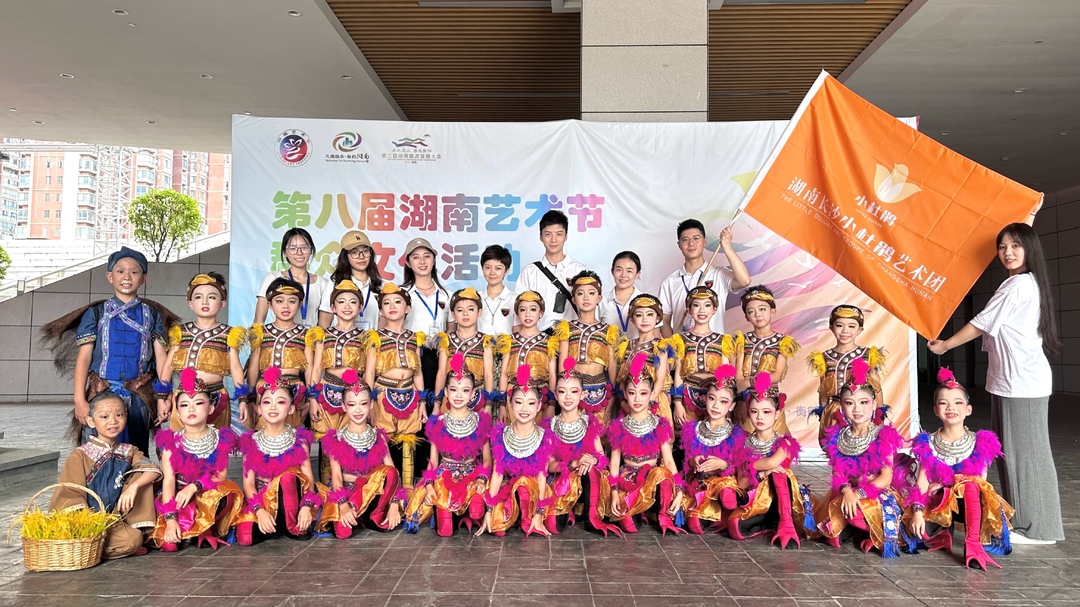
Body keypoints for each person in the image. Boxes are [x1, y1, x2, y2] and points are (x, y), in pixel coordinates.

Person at [927, 220, 1062, 545]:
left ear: (1029, 249)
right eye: (1002, 247)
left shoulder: (1019, 285)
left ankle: (1038, 528)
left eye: (1015, 246)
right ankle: (1024, 522)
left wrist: (945, 345)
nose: (1008, 252)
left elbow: (981, 323)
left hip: (1022, 383)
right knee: (1014, 453)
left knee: (1027, 455)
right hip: (1011, 381)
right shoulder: (1023, 282)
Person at [41, 246, 178, 454]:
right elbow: (84, 358)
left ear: (143, 279)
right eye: (120, 271)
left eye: (134, 272)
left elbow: (161, 360)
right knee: (96, 454)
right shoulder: (95, 313)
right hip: (100, 392)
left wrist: (162, 397)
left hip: (139, 396)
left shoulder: (153, 314)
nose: (127, 276)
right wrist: (79, 399)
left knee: (136, 453)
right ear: (109, 276)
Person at [906, 368, 1014, 570]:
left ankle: (973, 546)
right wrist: (918, 512)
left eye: (958, 402)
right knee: (916, 534)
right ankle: (942, 533)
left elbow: (979, 481)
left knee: (970, 486)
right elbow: (922, 483)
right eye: (943, 403)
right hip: (937, 504)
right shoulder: (927, 443)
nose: (951, 408)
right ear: (935, 410)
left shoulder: (981, 443)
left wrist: (945, 484)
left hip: (969, 505)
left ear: (968, 409)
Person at [52, 390, 161, 559]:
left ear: (126, 417)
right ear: (91, 421)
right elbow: (70, 495)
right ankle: (88, 546)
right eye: (104, 416)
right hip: (88, 522)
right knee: (127, 541)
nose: (113, 421)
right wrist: (88, 524)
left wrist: (133, 487)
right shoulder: (80, 456)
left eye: (119, 415)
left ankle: (95, 549)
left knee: (141, 477)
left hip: (115, 521)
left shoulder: (129, 451)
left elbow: (153, 470)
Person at [814, 359, 905, 557]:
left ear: (874, 404)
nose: (857, 409)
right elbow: (838, 473)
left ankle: (869, 529)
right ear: (841, 406)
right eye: (849, 403)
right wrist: (847, 491)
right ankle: (854, 527)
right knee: (831, 533)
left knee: (854, 512)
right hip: (849, 491)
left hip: (875, 492)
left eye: (864, 402)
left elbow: (886, 477)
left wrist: (859, 494)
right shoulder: (838, 435)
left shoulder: (882, 435)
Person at [151, 369, 243, 551]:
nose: (191, 409)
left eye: (198, 403)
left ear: (211, 408)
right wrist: (170, 519)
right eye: (184, 405)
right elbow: (169, 481)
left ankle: (206, 529)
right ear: (178, 411)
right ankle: (187, 527)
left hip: (207, 493)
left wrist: (194, 487)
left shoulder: (221, 439)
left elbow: (220, 476)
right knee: (169, 545)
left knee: (225, 494)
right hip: (179, 497)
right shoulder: (171, 442)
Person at [404, 353, 493, 536]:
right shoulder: (437, 423)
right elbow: (433, 461)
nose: (459, 395)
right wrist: (429, 484)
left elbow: (486, 459)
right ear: (445, 392)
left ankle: (467, 513)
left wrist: (481, 479)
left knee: (477, 510)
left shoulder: (481, 421)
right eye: (453, 389)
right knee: (444, 531)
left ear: (473, 393)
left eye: (465, 390)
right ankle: (451, 514)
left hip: (472, 477)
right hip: (444, 479)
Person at [729, 372, 815, 548]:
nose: (760, 417)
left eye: (766, 412)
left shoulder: (785, 442)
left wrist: (749, 465)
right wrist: (762, 474)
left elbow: (773, 463)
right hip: (756, 502)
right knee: (735, 527)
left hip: (783, 500)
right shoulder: (743, 443)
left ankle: (786, 525)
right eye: (754, 411)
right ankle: (768, 523)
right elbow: (742, 483)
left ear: (777, 414)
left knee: (779, 475)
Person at [316, 369, 405, 539]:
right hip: (346, 494)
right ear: (343, 406)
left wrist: (395, 503)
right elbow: (336, 477)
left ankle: (372, 515)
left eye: (363, 403)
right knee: (343, 533)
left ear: (371, 404)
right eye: (351, 404)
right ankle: (356, 513)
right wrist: (343, 505)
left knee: (389, 471)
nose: (358, 410)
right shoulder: (336, 438)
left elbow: (392, 474)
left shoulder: (378, 436)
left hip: (372, 494)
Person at [236, 367, 321, 545]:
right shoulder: (250, 442)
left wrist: (306, 507)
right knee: (245, 537)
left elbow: (309, 480)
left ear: (291, 409)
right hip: (262, 501)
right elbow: (249, 484)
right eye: (267, 402)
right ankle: (272, 523)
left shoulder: (299, 440)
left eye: (280, 402)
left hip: (292, 500)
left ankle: (291, 524)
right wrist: (259, 510)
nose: (273, 407)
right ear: (259, 409)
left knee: (288, 477)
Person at [607, 352, 685, 536]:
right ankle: (641, 510)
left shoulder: (659, 425)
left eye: (643, 393)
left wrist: (680, 490)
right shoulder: (619, 426)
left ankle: (663, 516)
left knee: (661, 473)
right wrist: (614, 492)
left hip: (652, 478)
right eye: (632, 393)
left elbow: (669, 461)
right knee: (629, 527)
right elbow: (615, 463)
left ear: (651, 394)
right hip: (628, 480)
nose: (637, 399)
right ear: (625, 394)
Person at [543, 358, 621, 536]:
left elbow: (602, 458)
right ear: (555, 395)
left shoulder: (589, 423)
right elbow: (550, 465)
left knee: (591, 468)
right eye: (562, 391)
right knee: (553, 527)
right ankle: (569, 510)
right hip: (561, 482)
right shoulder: (549, 426)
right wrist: (574, 463)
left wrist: (593, 459)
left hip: (587, 478)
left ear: (583, 395)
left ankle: (592, 519)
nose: (568, 397)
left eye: (574, 391)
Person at [476, 363, 555, 537]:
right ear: (510, 404)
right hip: (508, 489)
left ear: (539, 406)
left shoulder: (545, 437)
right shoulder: (501, 435)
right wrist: (489, 511)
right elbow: (497, 474)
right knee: (496, 528)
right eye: (519, 402)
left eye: (531, 403)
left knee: (525, 482)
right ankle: (510, 515)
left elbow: (542, 477)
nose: (524, 408)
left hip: (534, 494)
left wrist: (539, 514)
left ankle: (528, 518)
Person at [161, 272, 248, 431]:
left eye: (212, 297)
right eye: (198, 297)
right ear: (190, 303)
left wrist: (242, 399)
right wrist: (162, 397)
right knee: (181, 442)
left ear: (222, 303)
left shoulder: (229, 334)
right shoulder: (180, 332)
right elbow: (168, 366)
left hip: (217, 397)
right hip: (184, 397)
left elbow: (236, 367)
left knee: (217, 442)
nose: (205, 301)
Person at [365, 283, 430, 489]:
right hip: (383, 393)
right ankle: (387, 489)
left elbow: (418, 372)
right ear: (381, 310)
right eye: (386, 303)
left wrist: (422, 402)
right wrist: (369, 404)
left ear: (407, 308)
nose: (392, 306)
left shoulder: (414, 338)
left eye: (397, 302)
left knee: (409, 440)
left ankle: (408, 489)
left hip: (409, 393)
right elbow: (369, 373)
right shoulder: (375, 337)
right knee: (382, 440)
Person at [309, 279, 370, 482]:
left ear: (360, 307)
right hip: (327, 393)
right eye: (341, 301)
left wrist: (369, 401)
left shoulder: (366, 337)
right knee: (327, 442)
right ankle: (328, 491)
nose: (347, 306)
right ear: (333, 307)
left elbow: (368, 373)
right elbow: (316, 368)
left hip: (354, 396)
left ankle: (351, 488)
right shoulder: (322, 335)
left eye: (353, 302)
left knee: (352, 441)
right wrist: (313, 399)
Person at [806, 305, 887, 447]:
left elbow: (876, 388)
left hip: (860, 410)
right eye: (839, 325)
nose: (845, 331)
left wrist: (879, 414)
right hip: (834, 411)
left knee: (863, 448)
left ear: (860, 330)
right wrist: (823, 413)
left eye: (851, 326)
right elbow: (823, 390)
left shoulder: (868, 355)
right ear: (831, 328)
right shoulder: (824, 357)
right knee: (836, 450)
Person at [680, 365, 744, 535]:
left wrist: (723, 465)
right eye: (712, 398)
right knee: (694, 524)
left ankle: (725, 512)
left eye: (723, 402)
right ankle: (712, 513)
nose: (716, 405)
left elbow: (740, 469)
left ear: (732, 406)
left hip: (722, 484)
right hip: (698, 485)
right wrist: (693, 461)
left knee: (727, 492)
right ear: (705, 399)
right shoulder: (692, 429)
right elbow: (686, 463)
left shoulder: (736, 434)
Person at [658, 220, 750, 337]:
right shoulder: (670, 281)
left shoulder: (719, 274)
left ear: (705, 241)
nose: (691, 243)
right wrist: (672, 344)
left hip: (715, 346)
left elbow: (745, 281)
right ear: (679, 245)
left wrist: (727, 246)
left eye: (696, 238)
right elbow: (664, 320)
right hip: (683, 346)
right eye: (685, 240)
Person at [245, 278, 312, 429]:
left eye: (292, 301)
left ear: (300, 304)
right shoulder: (260, 332)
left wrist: (310, 398)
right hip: (265, 390)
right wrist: (250, 398)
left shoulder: (306, 334)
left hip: (295, 390)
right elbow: (253, 367)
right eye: (279, 301)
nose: (285, 306)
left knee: (293, 434)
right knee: (264, 433)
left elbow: (309, 368)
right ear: (269, 304)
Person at [732, 285, 799, 434]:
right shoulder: (741, 341)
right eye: (751, 311)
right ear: (746, 317)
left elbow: (776, 376)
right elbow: (738, 379)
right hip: (745, 402)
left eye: (762, 309)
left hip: (770, 402)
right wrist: (740, 401)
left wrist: (748, 382)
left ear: (772, 311)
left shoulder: (783, 342)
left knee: (774, 441)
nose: (758, 314)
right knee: (744, 441)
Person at [556, 271, 620, 425]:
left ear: (599, 298)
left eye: (591, 293)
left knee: (600, 432)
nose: (586, 298)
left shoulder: (608, 330)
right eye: (580, 293)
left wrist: (613, 396)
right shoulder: (566, 328)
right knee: (573, 431)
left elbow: (612, 365)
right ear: (573, 299)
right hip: (573, 391)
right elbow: (563, 365)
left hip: (601, 391)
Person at [670, 286, 734, 427]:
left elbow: (726, 376)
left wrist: (726, 403)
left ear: (714, 309)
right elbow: (679, 373)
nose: (702, 310)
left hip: (715, 399)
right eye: (696, 305)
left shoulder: (723, 340)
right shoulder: (681, 339)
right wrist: (678, 403)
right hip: (688, 397)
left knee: (715, 435)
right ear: (689, 310)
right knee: (689, 436)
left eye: (707, 305)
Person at [514, 210, 588, 331]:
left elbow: (591, 310)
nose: (553, 240)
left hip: (573, 335)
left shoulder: (579, 270)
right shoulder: (529, 272)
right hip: (539, 338)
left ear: (566, 236)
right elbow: (517, 314)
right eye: (548, 234)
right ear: (541, 237)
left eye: (559, 234)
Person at [434, 288, 500, 415]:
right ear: (453, 315)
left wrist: (488, 405)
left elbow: (488, 375)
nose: (465, 314)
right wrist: (437, 404)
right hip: (450, 399)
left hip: (477, 399)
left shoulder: (485, 341)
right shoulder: (446, 340)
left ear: (479, 312)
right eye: (460, 310)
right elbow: (441, 373)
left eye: (470, 309)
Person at [498, 292, 559, 423]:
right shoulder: (509, 341)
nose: (527, 314)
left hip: (540, 398)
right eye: (522, 310)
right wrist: (502, 405)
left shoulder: (549, 342)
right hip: (512, 397)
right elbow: (503, 374)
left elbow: (552, 375)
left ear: (541, 313)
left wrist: (552, 405)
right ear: (517, 313)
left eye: (533, 309)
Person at [615, 294, 674, 425]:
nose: (644, 319)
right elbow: (622, 378)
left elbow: (660, 380)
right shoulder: (627, 345)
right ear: (632, 320)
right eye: (639, 315)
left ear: (657, 319)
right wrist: (624, 402)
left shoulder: (660, 346)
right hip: (631, 401)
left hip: (653, 403)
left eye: (650, 314)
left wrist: (648, 405)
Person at [401, 237, 450, 395]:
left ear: (434, 260)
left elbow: (452, 331)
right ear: (408, 263)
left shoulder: (447, 295)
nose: (422, 261)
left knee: (436, 404)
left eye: (427, 256)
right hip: (410, 358)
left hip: (439, 360)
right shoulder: (400, 294)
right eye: (416, 257)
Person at [255, 227, 329, 327]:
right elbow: (258, 321)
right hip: (280, 335)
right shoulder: (273, 278)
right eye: (293, 248)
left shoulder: (323, 284)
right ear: (284, 252)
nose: (299, 252)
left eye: (304, 247)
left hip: (310, 336)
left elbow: (324, 326)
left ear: (311, 250)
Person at [318, 230, 382, 331]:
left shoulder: (381, 286)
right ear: (345, 256)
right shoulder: (335, 284)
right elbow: (323, 324)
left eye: (365, 251)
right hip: (341, 340)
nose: (361, 256)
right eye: (354, 252)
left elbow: (384, 325)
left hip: (372, 340)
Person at [599, 251, 644, 340]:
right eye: (619, 270)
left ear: (637, 274)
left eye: (629, 271)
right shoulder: (601, 301)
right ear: (612, 272)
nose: (623, 275)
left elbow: (654, 336)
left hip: (639, 349)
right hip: (608, 348)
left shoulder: (647, 301)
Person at [478, 244, 515, 337]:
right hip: (479, 346)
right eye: (487, 267)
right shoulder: (475, 298)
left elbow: (518, 333)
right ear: (482, 268)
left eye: (498, 268)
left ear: (506, 271)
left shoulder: (515, 299)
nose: (492, 272)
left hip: (507, 346)